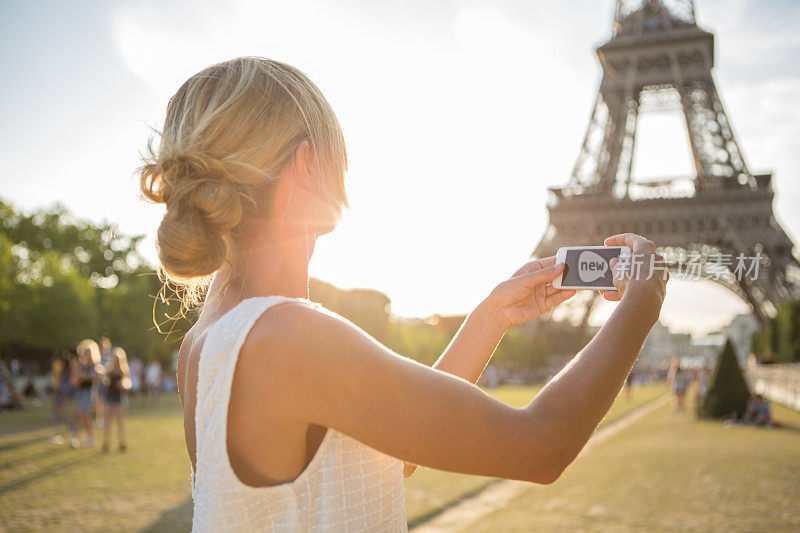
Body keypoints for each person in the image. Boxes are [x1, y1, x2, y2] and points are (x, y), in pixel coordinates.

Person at [138, 57, 668, 531]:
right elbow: (542, 446)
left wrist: (490, 318)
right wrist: (643, 298)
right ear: (307, 166)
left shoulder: (210, 341)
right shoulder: (288, 335)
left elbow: (391, 450)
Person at [70, 339, 100, 448]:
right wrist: (88, 377)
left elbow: (96, 377)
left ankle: (75, 437)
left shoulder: (94, 365)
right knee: (85, 415)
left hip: (89, 392)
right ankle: (91, 438)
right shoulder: (80, 364)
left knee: (81, 413)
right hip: (80, 391)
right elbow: (77, 376)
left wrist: (85, 377)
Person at [103, 347, 131, 452]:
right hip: (109, 397)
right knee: (108, 421)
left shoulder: (124, 370)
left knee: (120, 422)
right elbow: (104, 381)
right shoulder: (108, 370)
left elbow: (128, 383)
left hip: (119, 398)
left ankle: (122, 442)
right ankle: (106, 442)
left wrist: (122, 385)